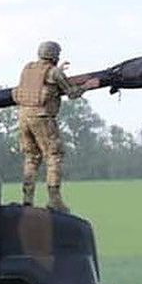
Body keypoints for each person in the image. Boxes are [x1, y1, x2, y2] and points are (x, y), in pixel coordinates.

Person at [12, 41, 99, 213]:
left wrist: (58, 71)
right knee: (54, 155)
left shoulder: (28, 69)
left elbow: (40, 84)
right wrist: (87, 86)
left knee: (31, 157)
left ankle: (27, 200)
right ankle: (54, 200)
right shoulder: (54, 72)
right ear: (54, 55)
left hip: (23, 117)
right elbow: (72, 93)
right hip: (42, 117)